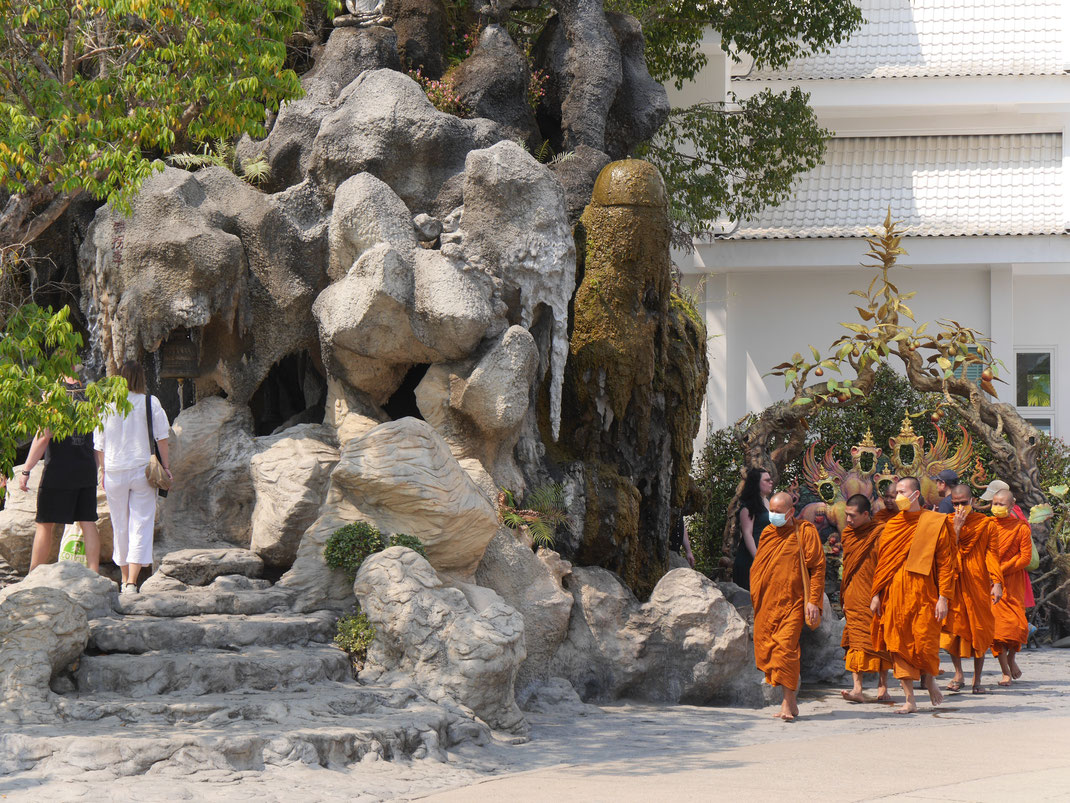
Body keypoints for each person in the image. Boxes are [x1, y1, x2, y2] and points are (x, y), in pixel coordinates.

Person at [869, 477, 956, 714]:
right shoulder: (892, 527)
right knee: (898, 644)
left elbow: (946, 563)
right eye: (895, 492)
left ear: (915, 495)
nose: (897, 497)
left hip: (924, 592)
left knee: (925, 642)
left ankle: (929, 679)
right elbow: (882, 564)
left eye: (901, 491)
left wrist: (944, 597)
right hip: (895, 594)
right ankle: (909, 699)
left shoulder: (935, 522)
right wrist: (876, 594)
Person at [94, 360, 171, 595]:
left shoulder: (108, 404)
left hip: (115, 471)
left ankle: (125, 578)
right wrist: (166, 467)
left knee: (120, 525)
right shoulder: (150, 402)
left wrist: (103, 471)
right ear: (142, 378)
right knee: (141, 522)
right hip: (142, 471)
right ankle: (131, 583)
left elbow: (98, 444)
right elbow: (162, 437)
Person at [750, 491, 824, 722]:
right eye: (770, 511)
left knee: (786, 649)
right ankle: (791, 703)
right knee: (770, 649)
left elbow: (818, 568)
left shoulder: (805, 532)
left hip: (794, 603)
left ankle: (785, 703)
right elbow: (760, 568)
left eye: (778, 512)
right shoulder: (767, 534)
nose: (773, 516)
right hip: (768, 603)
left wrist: (813, 600)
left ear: (791, 512)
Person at [17, 372, 102, 572]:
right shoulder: (91, 396)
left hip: (58, 469)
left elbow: (44, 436)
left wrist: (26, 469)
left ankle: (33, 574)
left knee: (45, 523)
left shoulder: (53, 395)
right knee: (88, 522)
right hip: (85, 467)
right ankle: (94, 574)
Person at [940, 485, 1003, 694]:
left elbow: (992, 554)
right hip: (954, 583)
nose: (959, 508)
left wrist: (997, 583)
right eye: (955, 503)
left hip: (977, 583)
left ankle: (977, 680)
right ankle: (958, 673)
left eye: (963, 503)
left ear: (972, 501)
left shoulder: (986, 525)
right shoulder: (946, 523)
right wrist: (956, 530)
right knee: (953, 630)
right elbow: (944, 555)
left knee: (980, 629)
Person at [839, 494, 891, 703]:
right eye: (846, 515)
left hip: (876, 593)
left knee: (881, 639)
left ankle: (883, 688)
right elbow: (848, 567)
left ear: (866, 514)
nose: (848, 520)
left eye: (852, 516)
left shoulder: (881, 533)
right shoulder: (848, 534)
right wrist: (844, 597)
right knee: (855, 640)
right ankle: (857, 689)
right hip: (853, 594)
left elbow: (884, 567)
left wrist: (878, 594)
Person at [989, 489, 1032, 686]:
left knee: (1017, 626)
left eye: (1001, 504)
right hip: (991, 583)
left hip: (1012, 582)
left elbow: (1025, 558)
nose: (997, 508)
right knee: (997, 631)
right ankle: (1005, 671)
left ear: (1012, 505)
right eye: (994, 503)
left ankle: (1012, 659)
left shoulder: (1021, 528)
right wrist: (993, 573)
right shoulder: (988, 526)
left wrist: (1002, 569)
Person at [732, 468, 773, 589]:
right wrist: (757, 559)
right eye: (766, 480)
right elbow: (747, 533)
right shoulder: (748, 506)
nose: (771, 482)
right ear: (756, 483)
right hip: (750, 560)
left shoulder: (768, 501)